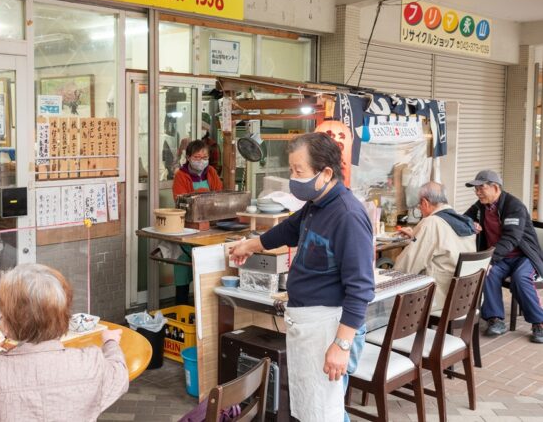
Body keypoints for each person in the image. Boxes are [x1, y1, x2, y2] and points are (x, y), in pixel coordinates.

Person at [229, 132, 374, 422]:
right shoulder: (317, 204)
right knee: (316, 409)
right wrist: (250, 245)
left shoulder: (347, 215)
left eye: (299, 171)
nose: (294, 178)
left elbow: (361, 288)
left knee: (325, 411)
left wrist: (341, 345)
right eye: (291, 170)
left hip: (330, 327)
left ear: (326, 172)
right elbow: (288, 230)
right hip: (309, 324)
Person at [0, 264, 129, 421]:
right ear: (65, 318)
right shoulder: (91, 362)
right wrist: (110, 342)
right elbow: (119, 375)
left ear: (4, 324)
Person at [464, 170, 543, 343]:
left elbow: (511, 238)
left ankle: (539, 322)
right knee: (487, 274)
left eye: (481, 188)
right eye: (475, 189)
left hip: (524, 256)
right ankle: (495, 319)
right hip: (501, 257)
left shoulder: (514, 206)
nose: (477, 192)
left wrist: (490, 260)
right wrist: (471, 223)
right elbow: (462, 220)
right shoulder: (480, 207)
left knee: (520, 278)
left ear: (495, 187)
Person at [394, 181, 476, 311]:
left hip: (440, 299)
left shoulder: (432, 222)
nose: (420, 209)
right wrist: (415, 235)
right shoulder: (462, 220)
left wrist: (387, 277)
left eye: (419, 206)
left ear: (425, 202)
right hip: (466, 296)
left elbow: (407, 265)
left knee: (396, 284)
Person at [171, 140, 224, 305]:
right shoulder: (181, 175)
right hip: (188, 228)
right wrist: (204, 195)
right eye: (197, 157)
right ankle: (181, 307)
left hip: (210, 227)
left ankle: (203, 311)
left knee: (208, 270)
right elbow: (180, 199)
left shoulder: (212, 173)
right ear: (188, 157)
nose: (201, 160)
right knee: (183, 268)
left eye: (204, 157)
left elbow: (219, 195)